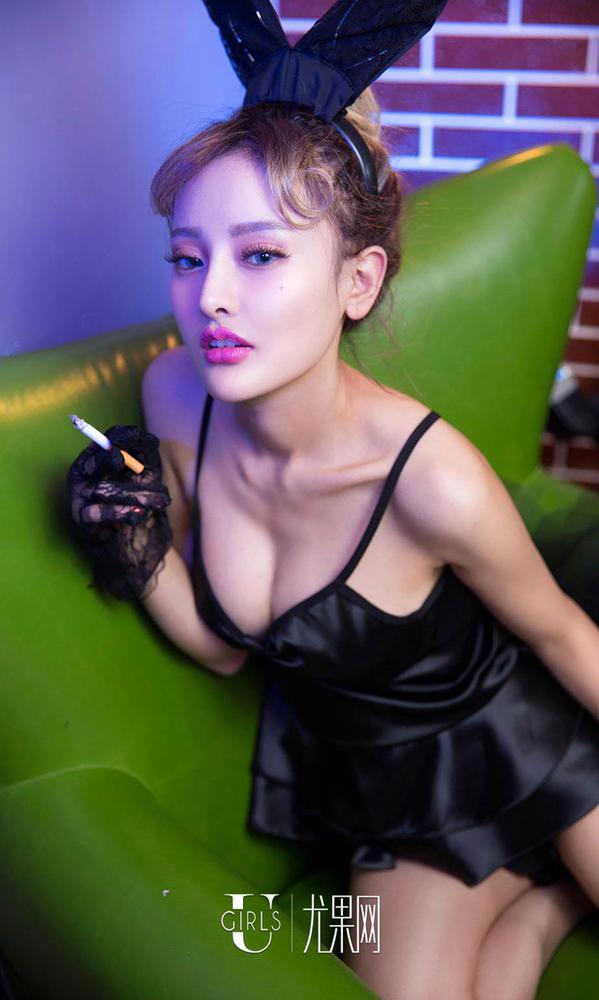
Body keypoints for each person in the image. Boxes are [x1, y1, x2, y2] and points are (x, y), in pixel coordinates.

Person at [67, 89, 599, 1000]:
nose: (210, 297)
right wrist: (132, 541)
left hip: (535, 736)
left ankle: (555, 883)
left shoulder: (433, 478)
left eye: (260, 254)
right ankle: (550, 908)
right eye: (187, 258)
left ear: (357, 282)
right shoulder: (174, 397)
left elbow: (560, 634)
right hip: (393, 797)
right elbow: (225, 654)